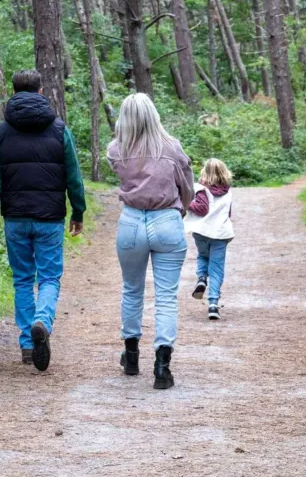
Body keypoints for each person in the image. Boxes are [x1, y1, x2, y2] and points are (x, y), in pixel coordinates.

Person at [0, 69, 87, 372]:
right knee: (50, 277)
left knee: (23, 279)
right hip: (50, 217)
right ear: (41, 91)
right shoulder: (59, 129)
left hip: (15, 217)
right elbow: (73, 174)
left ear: (14, 92)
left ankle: (28, 343)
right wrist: (77, 211)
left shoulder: (1, 131)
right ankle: (43, 320)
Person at [107, 93, 193, 390]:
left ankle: (131, 357)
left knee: (132, 290)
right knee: (166, 296)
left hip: (131, 222)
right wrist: (181, 206)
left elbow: (119, 172)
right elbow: (187, 186)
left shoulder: (116, 150)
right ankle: (162, 366)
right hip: (167, 220)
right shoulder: (172, 148)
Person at [184, 158, 234, 320]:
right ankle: (213, 304)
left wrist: (187, 203)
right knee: (217, 267)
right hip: (220, 234)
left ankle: (202, 278)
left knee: (203, 256)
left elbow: (201, 208)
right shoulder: (228, 192)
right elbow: (228, 214)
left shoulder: (200, 189)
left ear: (205, 172)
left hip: (202, 231)